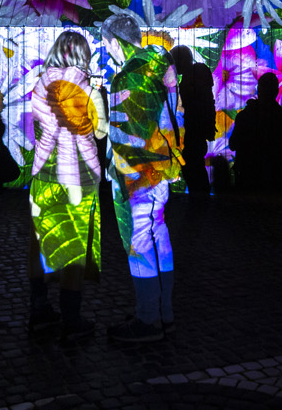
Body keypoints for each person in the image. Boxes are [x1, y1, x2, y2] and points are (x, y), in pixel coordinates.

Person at [27, 30, 109, 340]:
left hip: (43, 176)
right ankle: (71, 318)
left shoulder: (39, 85)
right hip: (78, 178)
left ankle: (39, 310)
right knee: (74, 250)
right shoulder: (88, 90)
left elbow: (38, 130)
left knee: (41, 245)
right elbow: (100, 134)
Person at [105, 26, 180, 343]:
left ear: (114, 41)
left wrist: (123, 180)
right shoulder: (160, 66)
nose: (107, 52)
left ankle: (148, 319)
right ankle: (162, 312)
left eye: (106, 45)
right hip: (159, 170)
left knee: (140, 245)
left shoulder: (131, 74)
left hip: (138, 176)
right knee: (158, 237)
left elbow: (127, 135)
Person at [229, 73, 282, 197]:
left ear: (259, 90)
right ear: (276, 92)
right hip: (276, 179)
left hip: (248, 178)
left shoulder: (245, 116)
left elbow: (232, 144)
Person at [168, 45, 215, 202]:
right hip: (197, 128)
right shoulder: (198, 73)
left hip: (193, 129)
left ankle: (199, 202)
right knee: (195, 166)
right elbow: (208, 102)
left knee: (193, 166)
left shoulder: (193, 76)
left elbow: (201, 103)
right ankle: (200, 201)